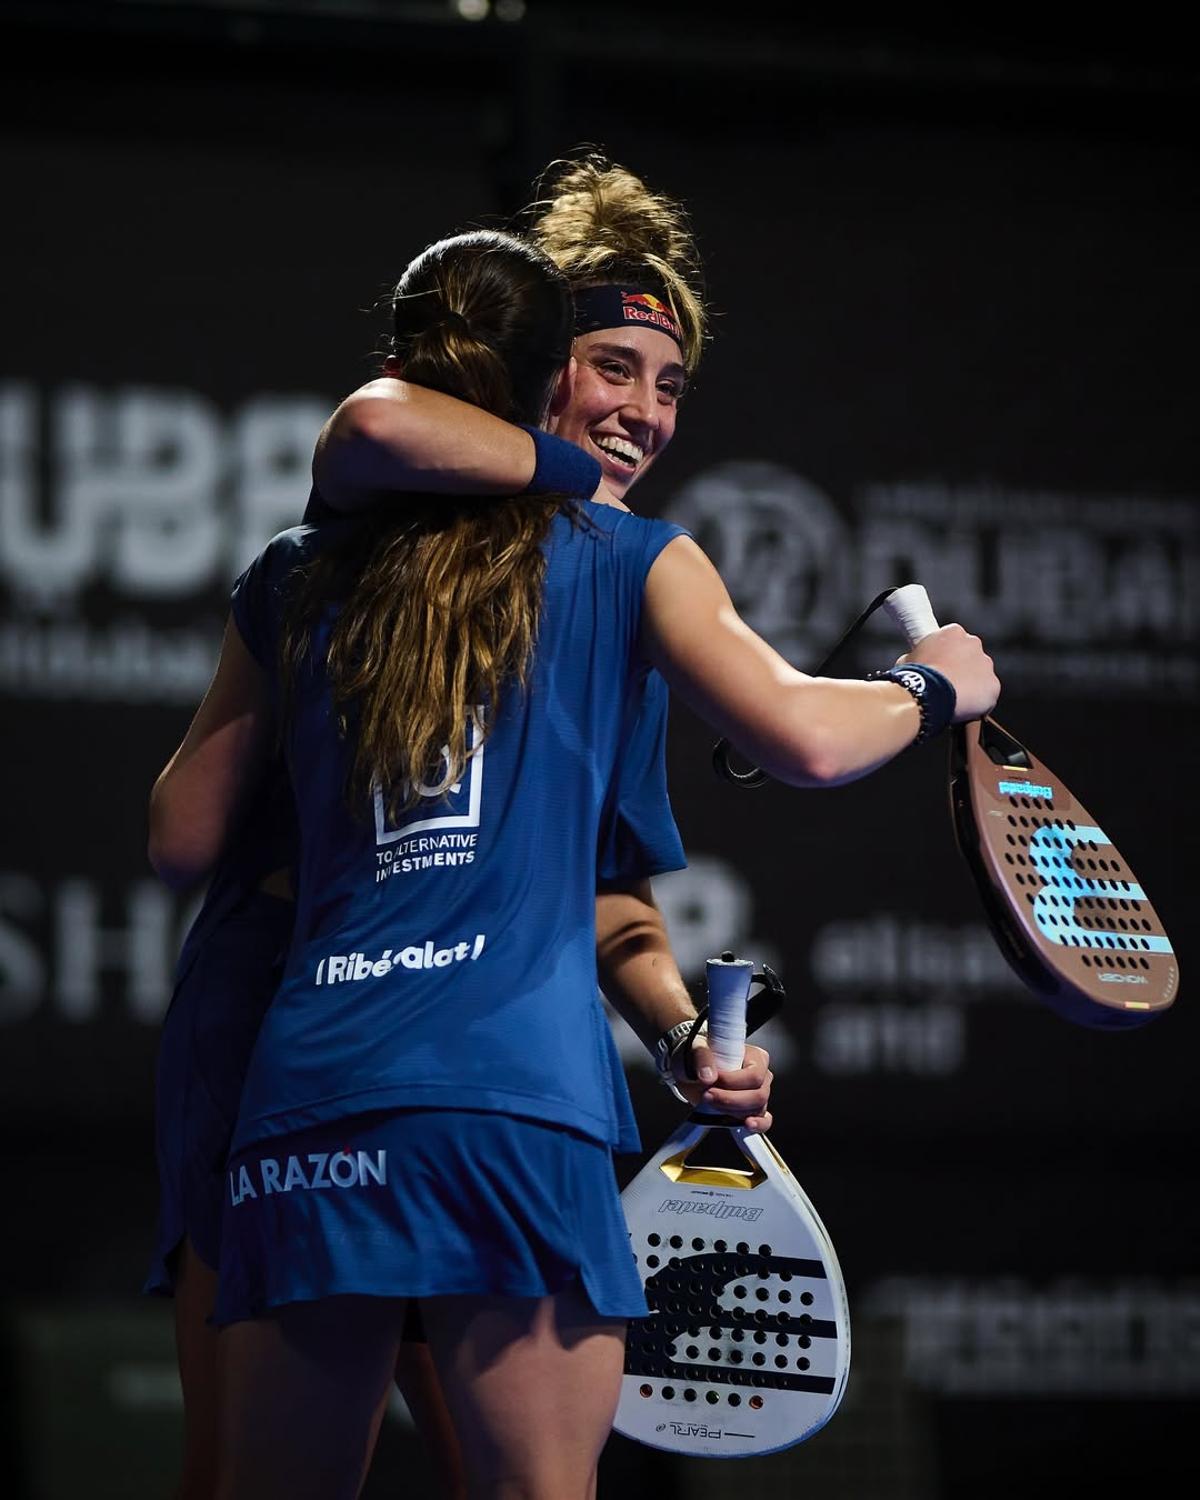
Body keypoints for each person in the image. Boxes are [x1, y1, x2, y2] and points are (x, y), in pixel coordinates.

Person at [148, 221, 998, 1498]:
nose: (644, 413)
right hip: (510, 1107)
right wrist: (934, 688)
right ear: (533, 376)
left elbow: (181, 839)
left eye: (669, 387)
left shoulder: (302, 575)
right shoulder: (628, 563)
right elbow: (813, 740)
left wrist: (674, 1035)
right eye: (610, 367)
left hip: (310, 1097)